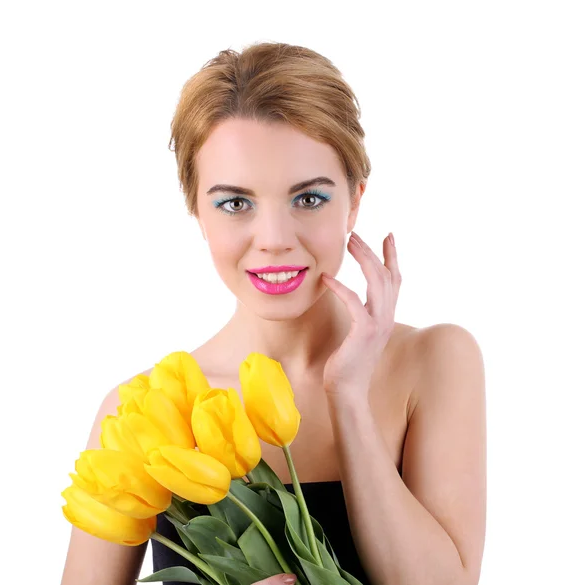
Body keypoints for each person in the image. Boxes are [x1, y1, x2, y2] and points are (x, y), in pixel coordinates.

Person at [61, 41, 486, 585]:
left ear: (354, 200)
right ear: (197, 208)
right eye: (235, 203)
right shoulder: (144, 411)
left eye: (308, 199)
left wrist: (348, 397)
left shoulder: (435, 362)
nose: (274, 241)